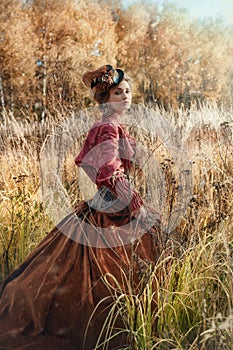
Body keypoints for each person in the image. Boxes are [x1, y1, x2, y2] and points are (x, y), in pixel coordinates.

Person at [0, 64, 165, 349]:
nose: (125, 97)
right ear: (105, 98)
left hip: (108, 202)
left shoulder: (111, 125)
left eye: (127, 92)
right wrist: (135, 204)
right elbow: (108, 169)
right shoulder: (108, 127)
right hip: (113, 206)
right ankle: (109, 328)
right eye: (118, 92)